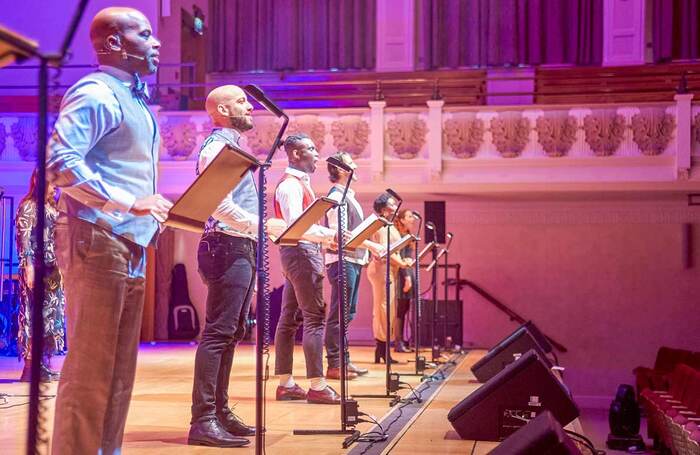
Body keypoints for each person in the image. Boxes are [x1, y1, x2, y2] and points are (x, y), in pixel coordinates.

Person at [46, 7, 172, 454]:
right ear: (115, 42)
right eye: (146, 33)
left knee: (119, 369)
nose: (156, 43)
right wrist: (127, 200)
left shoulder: (133, 97)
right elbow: (60, 164)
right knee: (91, 367)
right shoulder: (97, 92)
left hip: (130, 240)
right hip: (96, 236)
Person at [187, 85, 259, 448]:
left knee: (232, 332)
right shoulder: (217, 147)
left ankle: (220, 411)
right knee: (218, 333)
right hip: (225, 245)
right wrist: (259, 226)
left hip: (240, 245)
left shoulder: (234, 146)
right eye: (242, 102)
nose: (251, 107)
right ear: (221, 110)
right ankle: (202, 419)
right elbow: (218, 205)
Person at [273, 134, 341, 404]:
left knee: (288, 319)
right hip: (301, 253)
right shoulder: (290, 186)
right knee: (314, 319)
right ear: (295, 155)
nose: (317, 154)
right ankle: (317, 385)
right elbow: (295, 226)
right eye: (311, 149)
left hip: (296, 254)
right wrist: (328, 235)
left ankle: (286, 384)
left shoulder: (299, 184)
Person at [323, 151, 383, 380]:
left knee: (348, 313)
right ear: (340, 170)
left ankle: (344, 361)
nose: (355, 166)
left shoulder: (348, 196)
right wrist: (372, 245)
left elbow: (351, 233)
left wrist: (369, 247)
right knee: (340, 314)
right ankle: (335, 364)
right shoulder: (337, 196)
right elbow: (341, 233)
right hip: (342, 259)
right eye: (351, 164)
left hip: (353, 258)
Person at [15, 170, 65, 382]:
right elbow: (24, 240)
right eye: (53, 183)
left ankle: (43, 365)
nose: (55, 188)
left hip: (52, 269)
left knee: (50, 319)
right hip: (37, 268)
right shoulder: (29, 206)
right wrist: (29, 268)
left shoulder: (51, 207)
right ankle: (30, 368)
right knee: (35, 317)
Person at [366, 193, 413, 363]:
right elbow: (386, 250)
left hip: (388, 269)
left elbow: (395, 250)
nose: (395, 206)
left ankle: (381, 350)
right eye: (392, 204)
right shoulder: (381, 225)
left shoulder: (389, 225)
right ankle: (383, 350)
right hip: (382, 269)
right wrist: (402, 263)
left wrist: (402, 261)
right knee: (384, 309)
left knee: (387, 309)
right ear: (385, 208)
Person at [394, 209, 417, 353]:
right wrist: (407, 277)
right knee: (401, 310)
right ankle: (398, 342)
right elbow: (401, 259)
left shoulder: (408, 235)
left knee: (405, 309)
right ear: (401, 220)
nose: (412, 218)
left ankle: (402, 341)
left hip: (407, 272)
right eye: (409, 216)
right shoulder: (400, 236)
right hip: (403, 274)